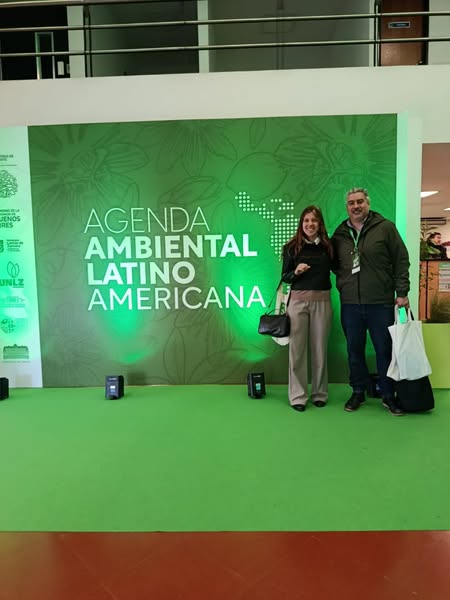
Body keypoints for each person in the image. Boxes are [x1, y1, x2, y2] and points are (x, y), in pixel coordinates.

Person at [332, 187, 410, 416]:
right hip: (350, 304)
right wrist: (344, 283)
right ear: (347, 207)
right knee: (354, 350)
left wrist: (402, 292)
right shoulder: (339, 234)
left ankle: (388, 395)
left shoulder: (385, 228)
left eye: (360, 202)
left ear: (367, 203)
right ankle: (358, 391)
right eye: (351, 203)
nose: (355, 206)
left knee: (384, 350)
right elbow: (333, 264)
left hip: (380, 303)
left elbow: (401, 259)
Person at [281, 205, 333, 412]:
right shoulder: (291, 247)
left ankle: (320, 393)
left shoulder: (328, 247)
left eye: (314, 220)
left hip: (323, 301)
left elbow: (339, 268)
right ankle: (298, 396)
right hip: (297, 302)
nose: (310, 224)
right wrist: (296, 272)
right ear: (301, 223)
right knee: (297, 351)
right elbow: (285, 277)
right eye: (306, 220)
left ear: (320, 224)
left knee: (320, 349)